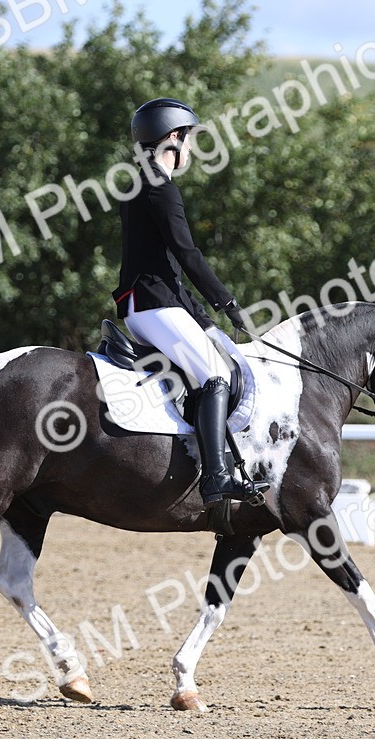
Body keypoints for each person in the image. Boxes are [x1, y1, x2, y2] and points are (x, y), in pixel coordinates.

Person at [111, 97, 268, 509]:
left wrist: (204, 319)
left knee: (211, 365)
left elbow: (162, 264)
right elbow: (187, 254)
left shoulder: (139, 183)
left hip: (147, 305)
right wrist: (226, 301)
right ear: (174, 138)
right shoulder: (161, 188)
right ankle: (217, 478)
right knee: (215, 376)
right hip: (155, 306)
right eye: (190, 139)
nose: (193, 149)